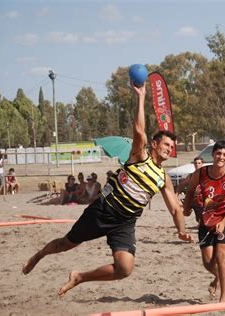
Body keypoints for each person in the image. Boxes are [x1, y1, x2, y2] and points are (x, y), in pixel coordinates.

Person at [22, 82, 193, 297]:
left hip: (124, 222)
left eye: (172, 147)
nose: (169, 149)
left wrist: (181, 231)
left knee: (125, 269)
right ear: (155, 144)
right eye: (166, 144)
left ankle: (79, 277)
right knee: (66, 244)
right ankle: (39, 255)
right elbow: (139, 130)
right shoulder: (140, 156)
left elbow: (176, 209)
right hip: (103, 211)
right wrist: (141, 98)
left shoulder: (163, 177)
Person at [183, 140, 225, 303]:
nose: (221, 157)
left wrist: (223, 222)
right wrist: (186, 209)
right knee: (208, 262)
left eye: (224, 155)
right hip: (206, 219)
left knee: (221, 256)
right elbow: (189, 192)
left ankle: (224, 298)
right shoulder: (200, 173)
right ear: (213, 154)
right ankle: (218, 277)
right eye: (218, 153)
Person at [179, 157, 204, 223]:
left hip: (203, 200)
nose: (197, 165)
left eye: (199, 163)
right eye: (195, 163)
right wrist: (177, 193)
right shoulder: (191, 175)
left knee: (201, 218)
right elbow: (182, 184)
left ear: (202, 164)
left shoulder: (206, 175)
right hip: (193, 199)